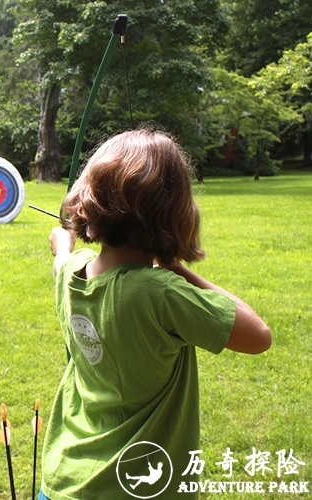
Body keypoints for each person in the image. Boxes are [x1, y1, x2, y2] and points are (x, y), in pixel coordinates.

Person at [39, 129, 271, 499]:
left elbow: (63, 260)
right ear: (175, 216)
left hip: (66, 479)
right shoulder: (161, 292)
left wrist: (62, 243)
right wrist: (177, 267)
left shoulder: (72, 273)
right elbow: (259, 335)